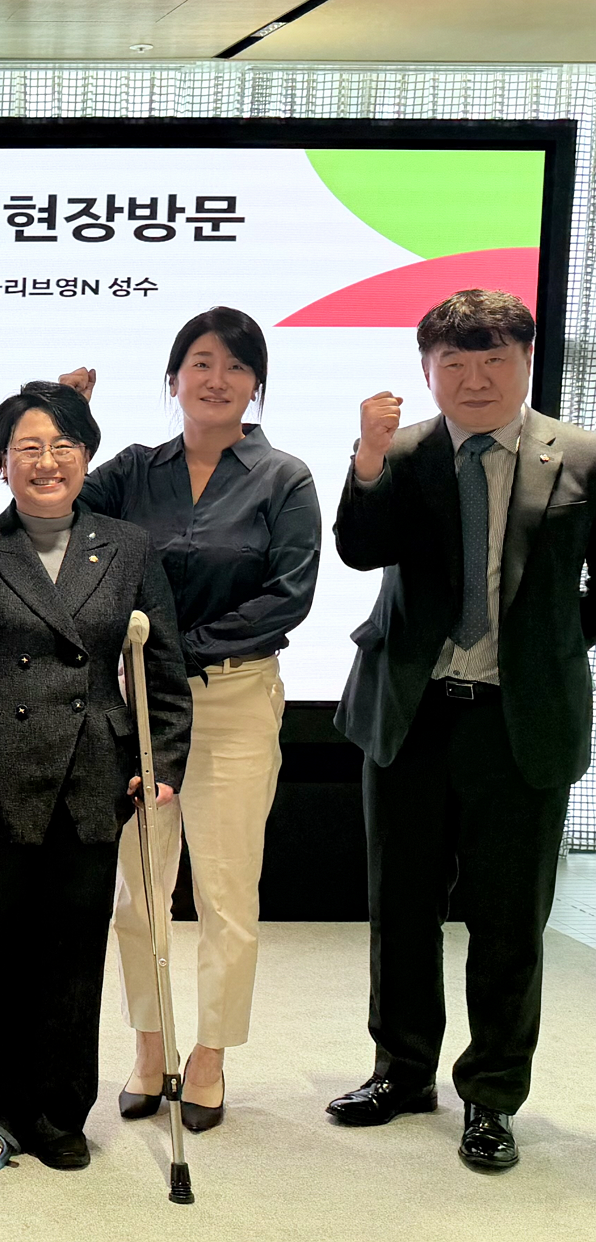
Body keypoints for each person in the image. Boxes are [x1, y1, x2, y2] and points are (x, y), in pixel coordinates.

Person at [326, 289, 596, 1171]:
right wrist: (367, 458)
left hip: (522, 720)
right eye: (454, 364)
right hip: (413, 714)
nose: (474, 380)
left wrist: (555, 643)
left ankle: (492, 1094)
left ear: (526, 360)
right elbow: (360, 548)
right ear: (427, 371)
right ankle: (402, 1072)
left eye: (493, 361)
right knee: (400, 910)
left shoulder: (582, 456)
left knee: (509, 922)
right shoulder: (404, 453)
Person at [61, 308, 321, 1131]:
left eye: (236, 366)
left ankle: (209, 1054)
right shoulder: (135, 471)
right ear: (173, 377)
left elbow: (289, 596)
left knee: (225, 891)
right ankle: (150, 1046)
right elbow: (54, 507)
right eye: (201, 363)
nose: (217, 379)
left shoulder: (284, 478)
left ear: (256, 384)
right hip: (138, 705)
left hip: (235, 700)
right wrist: (70, 419)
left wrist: (176, 649)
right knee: (138, 893)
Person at [0, 381, 189, 1172]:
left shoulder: (126, 545)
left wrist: (163, 760)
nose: (47, 461)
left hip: (92, 766)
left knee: (73, 948)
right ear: (2, 463)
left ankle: (58, 1109)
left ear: (87, 456)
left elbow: (163, 665)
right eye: (28, 447)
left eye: (63, 445)